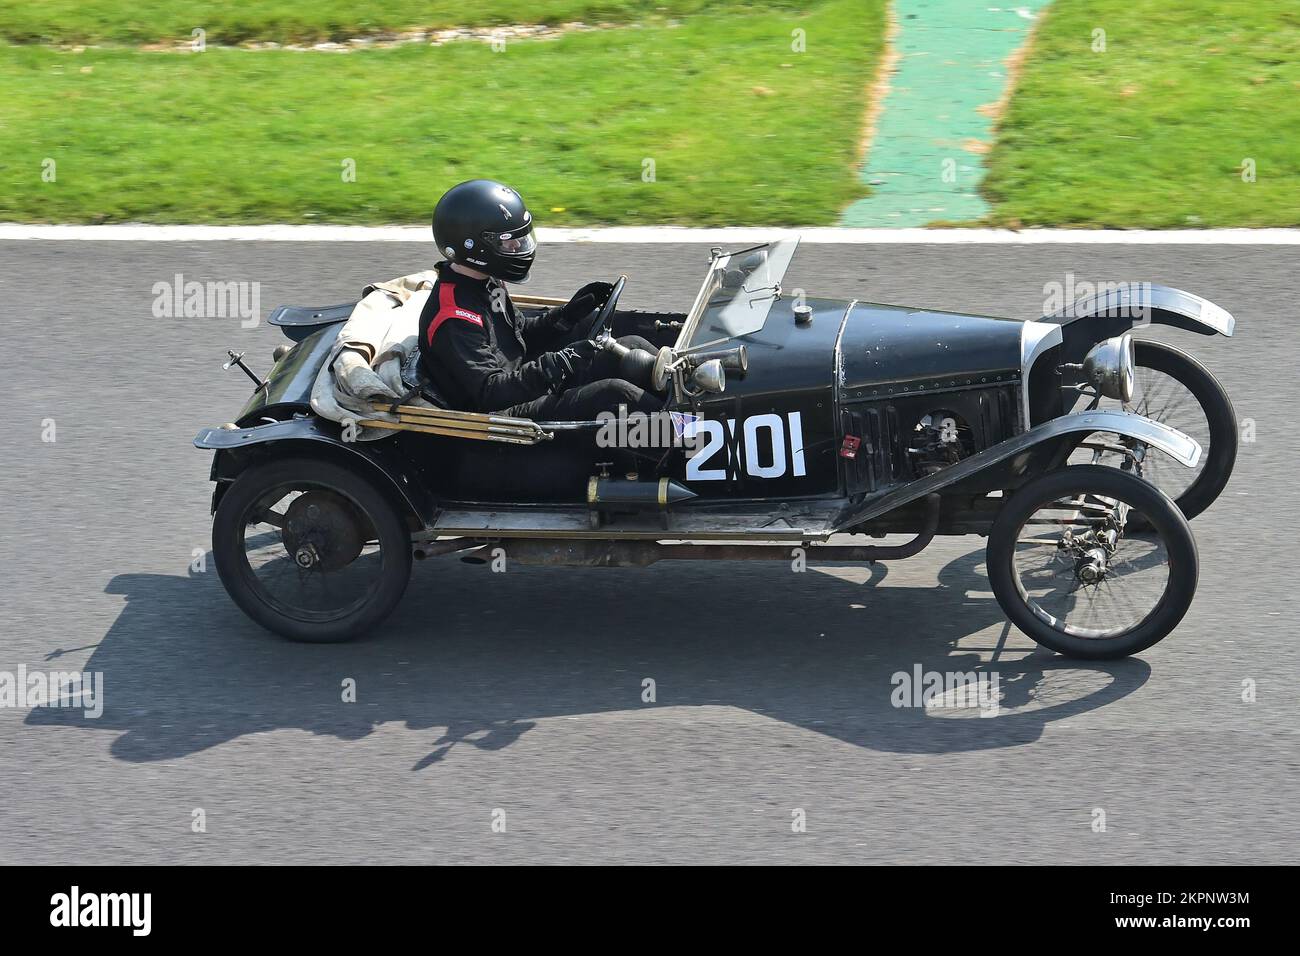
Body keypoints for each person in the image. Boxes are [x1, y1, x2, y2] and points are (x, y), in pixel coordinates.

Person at [418, 179, 662, 420]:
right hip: (501, 416)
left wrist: (567, 315)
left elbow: (519, 334)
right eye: (508, 241)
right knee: (615, 395)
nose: (517, 246)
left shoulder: (485, 280)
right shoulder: (454, 317)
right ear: (473, 245)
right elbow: (489, 392)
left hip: (522, 382)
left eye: (519, 239)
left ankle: (684, 391)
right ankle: (688, 437)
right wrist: (556, 364)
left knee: (632, 346)